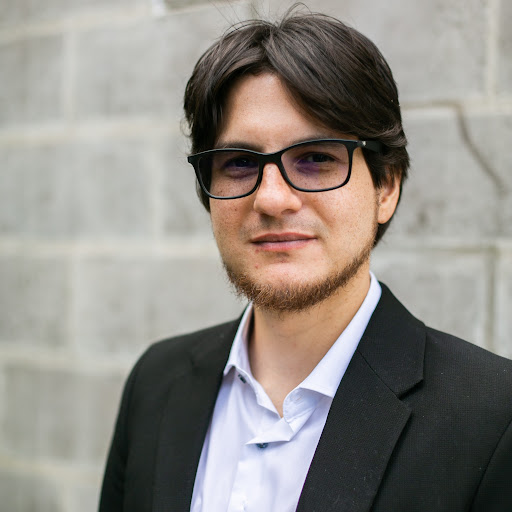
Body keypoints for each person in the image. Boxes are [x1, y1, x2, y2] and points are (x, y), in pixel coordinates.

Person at [99, 10, 512, 512]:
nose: (272, 199)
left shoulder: (492, 417)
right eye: (240, 163)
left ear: (385, 187)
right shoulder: (155, 383)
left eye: (316, 158)